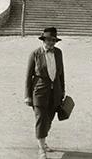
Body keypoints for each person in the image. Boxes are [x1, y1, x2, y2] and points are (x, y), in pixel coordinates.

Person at [25, 27, 65, 159]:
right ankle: (42, 149)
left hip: (56, 92)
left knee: (49, 118)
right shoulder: (35, 54)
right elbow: (28, 76)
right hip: (39, 92)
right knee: (41, 119)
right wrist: (27, 95)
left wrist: (62, 90)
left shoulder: (58, 53)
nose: (51, 42)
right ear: (43, 40)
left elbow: (61, 74)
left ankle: (42, 140)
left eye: (53, 40)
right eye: (48, 40)